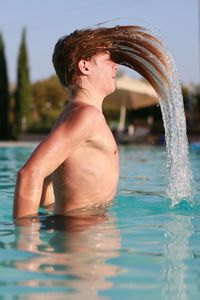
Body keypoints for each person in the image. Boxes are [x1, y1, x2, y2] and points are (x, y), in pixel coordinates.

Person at [13, 25, 170, 219]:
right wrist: (26, 239)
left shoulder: (75, 114)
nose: (116, 66)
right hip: (84, 242)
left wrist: (58, 217)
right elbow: (30, 174)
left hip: (81, 234)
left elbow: (46, 178)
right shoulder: (86, 116)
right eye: (108, 59)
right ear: (84, 66)